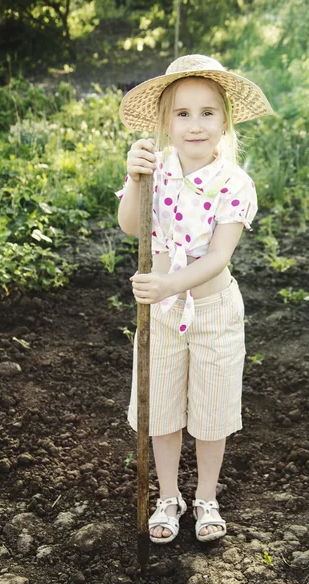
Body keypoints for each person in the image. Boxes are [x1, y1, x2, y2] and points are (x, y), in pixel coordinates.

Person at [116, 54, 273, 544]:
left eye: (208, 112)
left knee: (209, 411)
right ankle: (168, 495)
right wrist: (135, 178)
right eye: (182, 114)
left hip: (213, 311)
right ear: (164, 122)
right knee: (160, 408)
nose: (196, 124)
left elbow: (218, 257)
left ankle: (206, 495)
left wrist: (167, 284)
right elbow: (130, 225)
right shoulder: (155, 169)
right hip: (160, 314)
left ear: (225, 119)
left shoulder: (234, 181)